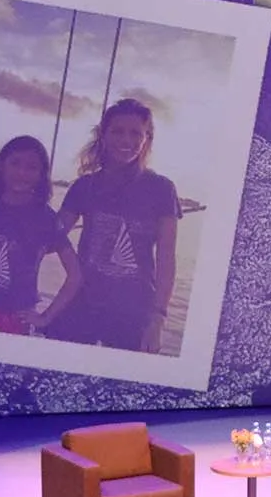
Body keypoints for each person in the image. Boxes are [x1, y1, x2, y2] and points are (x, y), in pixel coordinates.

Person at [46, 99, 178, 353]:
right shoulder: (84, 186)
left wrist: (158, 318)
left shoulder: (162, 189)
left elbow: (166, 259)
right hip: (82, 300)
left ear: (146, 138)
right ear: (103, 135)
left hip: (134, 309)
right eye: (117, 131)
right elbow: (52, 238)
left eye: (135, 133)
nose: (125, 140)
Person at [0, 136, 84, 336]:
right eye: (15, 163)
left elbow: (75, 275)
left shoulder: (45, 218)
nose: (22, 172)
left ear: (41, 174)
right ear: (2, 166)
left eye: (31, 167)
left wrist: (45, 316)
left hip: (14, 319)